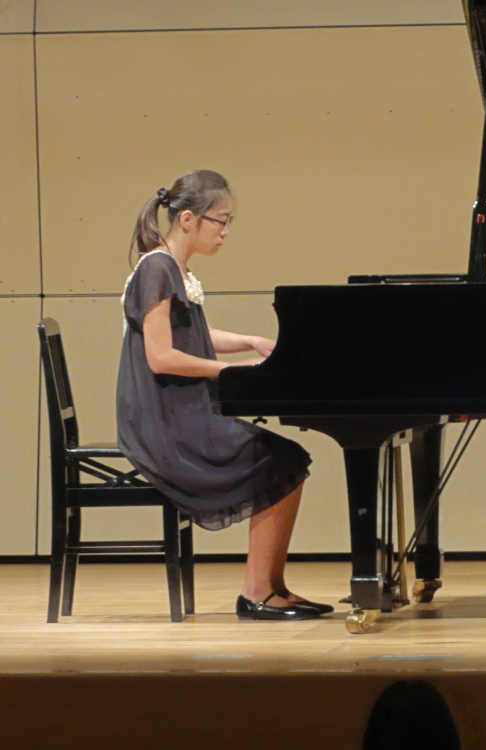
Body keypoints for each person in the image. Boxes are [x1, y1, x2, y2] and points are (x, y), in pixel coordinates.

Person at [117, 169, 329, 621]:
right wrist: (233, 370)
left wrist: (252, 341)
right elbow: (161, 357)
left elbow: (195, 334)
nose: (226, 231)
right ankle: (257, 592)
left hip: (180, 412)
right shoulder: (156, 268)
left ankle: (272, 587)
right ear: (189, 219)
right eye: (222, 220)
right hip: (165, 423)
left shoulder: (173, 269)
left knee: (287, 459)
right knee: (281, 460)